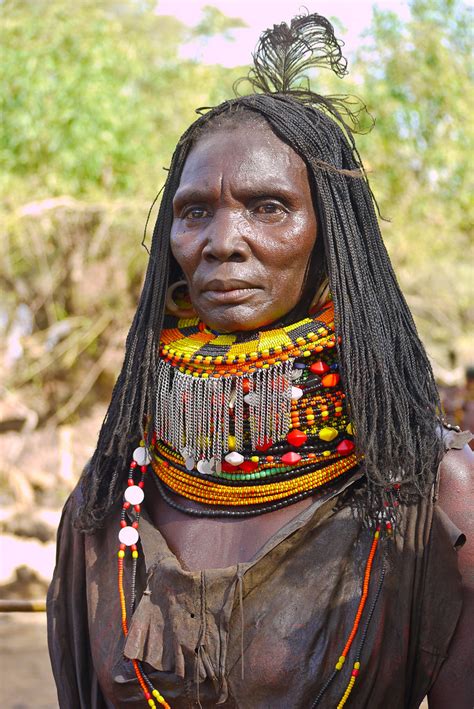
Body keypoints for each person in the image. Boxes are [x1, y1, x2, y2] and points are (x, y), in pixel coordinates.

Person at [47, 13, 473, 708]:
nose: (223, 241)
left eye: (269, 206)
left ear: (332, 236)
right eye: (194, 212)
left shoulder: (432, 495)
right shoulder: (105, 504)